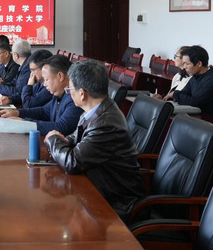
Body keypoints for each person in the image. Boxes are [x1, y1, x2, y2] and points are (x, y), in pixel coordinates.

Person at [44, 60, 145, 220]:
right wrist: (62, 141)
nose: (69, 93)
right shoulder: (94, 110)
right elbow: (73, 138)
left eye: (70, 89)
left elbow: (73, 162)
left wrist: (53, 140)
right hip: (98, 186)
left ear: (82, 93)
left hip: (116, 201)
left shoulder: (105, 123)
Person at [0, 55, 82, 136]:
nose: (44, 84)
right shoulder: (60, 94)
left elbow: (61, 127)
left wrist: (25, 123)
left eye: (47, 80)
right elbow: (44, 111)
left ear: (60, 76)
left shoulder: (74, 98)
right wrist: (17, 113)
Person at [167, 45, 213, 118]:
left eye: (187, 64)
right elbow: (184, 93)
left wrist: (175, 94)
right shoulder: (195, 76)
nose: (184, 67)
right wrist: (176, 95)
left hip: (212, 118)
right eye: (183, 63)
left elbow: (195, 102)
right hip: (198, 114)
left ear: (199, 64)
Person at [0, 39, 33, 105]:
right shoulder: (23, 66)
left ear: (16, 55)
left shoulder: (28, 68)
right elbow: (14, 83)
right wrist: (1, 82)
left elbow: (18, 92)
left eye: (12, 53)